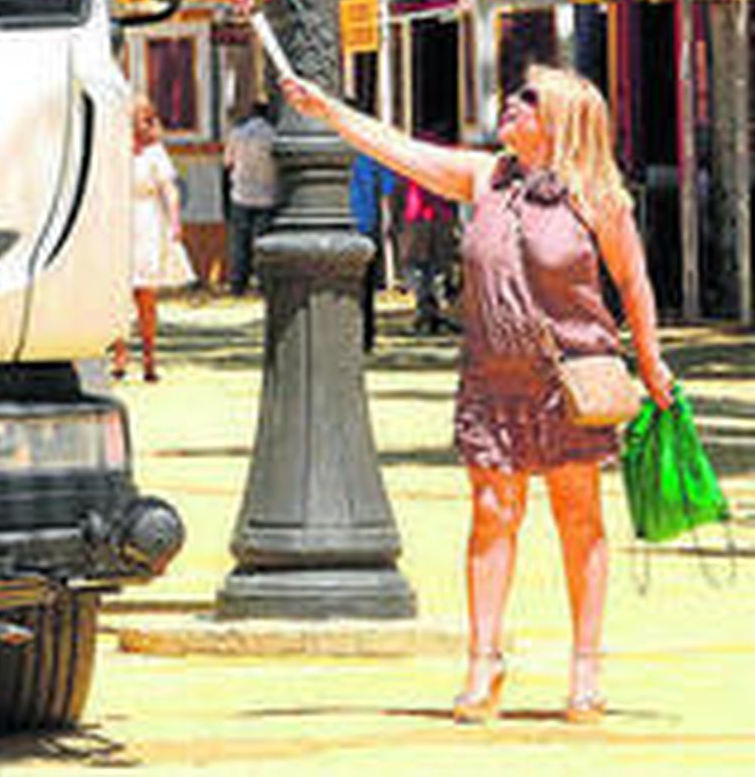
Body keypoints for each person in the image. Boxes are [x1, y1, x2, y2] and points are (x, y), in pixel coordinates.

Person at [278, 63, 674, 726]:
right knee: (492, 514)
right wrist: (330, 113)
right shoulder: (485, 178)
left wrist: (652, 360)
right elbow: (400, 151)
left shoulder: (597, 196)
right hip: (492, 377)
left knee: (579, 519)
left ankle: (585, 668)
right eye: (515, 95)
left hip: (571, 378)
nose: (512, 105)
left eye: (530, 99)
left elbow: (633, 282)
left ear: (563, 121)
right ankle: (483, 661)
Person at [111, 97, 195, 383]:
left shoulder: (155, 153)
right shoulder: (111, 151)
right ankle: (120, 355)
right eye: (138, 119)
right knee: (118, 294)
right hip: (118, 220)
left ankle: (149, 357)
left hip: (146, 221)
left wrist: (174, 222)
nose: (143, 124)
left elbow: (169, 188)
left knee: (146, 294)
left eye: (146, 118)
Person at [223, 102, 278, 296]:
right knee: (262, 242)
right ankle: (263, 283)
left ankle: (238, 284)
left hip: (241, 194)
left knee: (239, 242)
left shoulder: (237, 134)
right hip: (267, 196)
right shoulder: (274, 135)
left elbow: (227, 162)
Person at [402, 159, 459, 334]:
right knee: (438, 265)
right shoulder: (445, 153)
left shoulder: (411, 154)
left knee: (416, 265)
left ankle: (426, 311)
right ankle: (434, 312)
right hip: (440, 213)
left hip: (418, 214)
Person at [349, 151, 397, 351]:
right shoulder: (374, 153)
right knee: (365, 287)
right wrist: (388, 223)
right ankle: (366, 336)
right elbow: (387, 192)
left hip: (342, 224)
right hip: (367, 224)